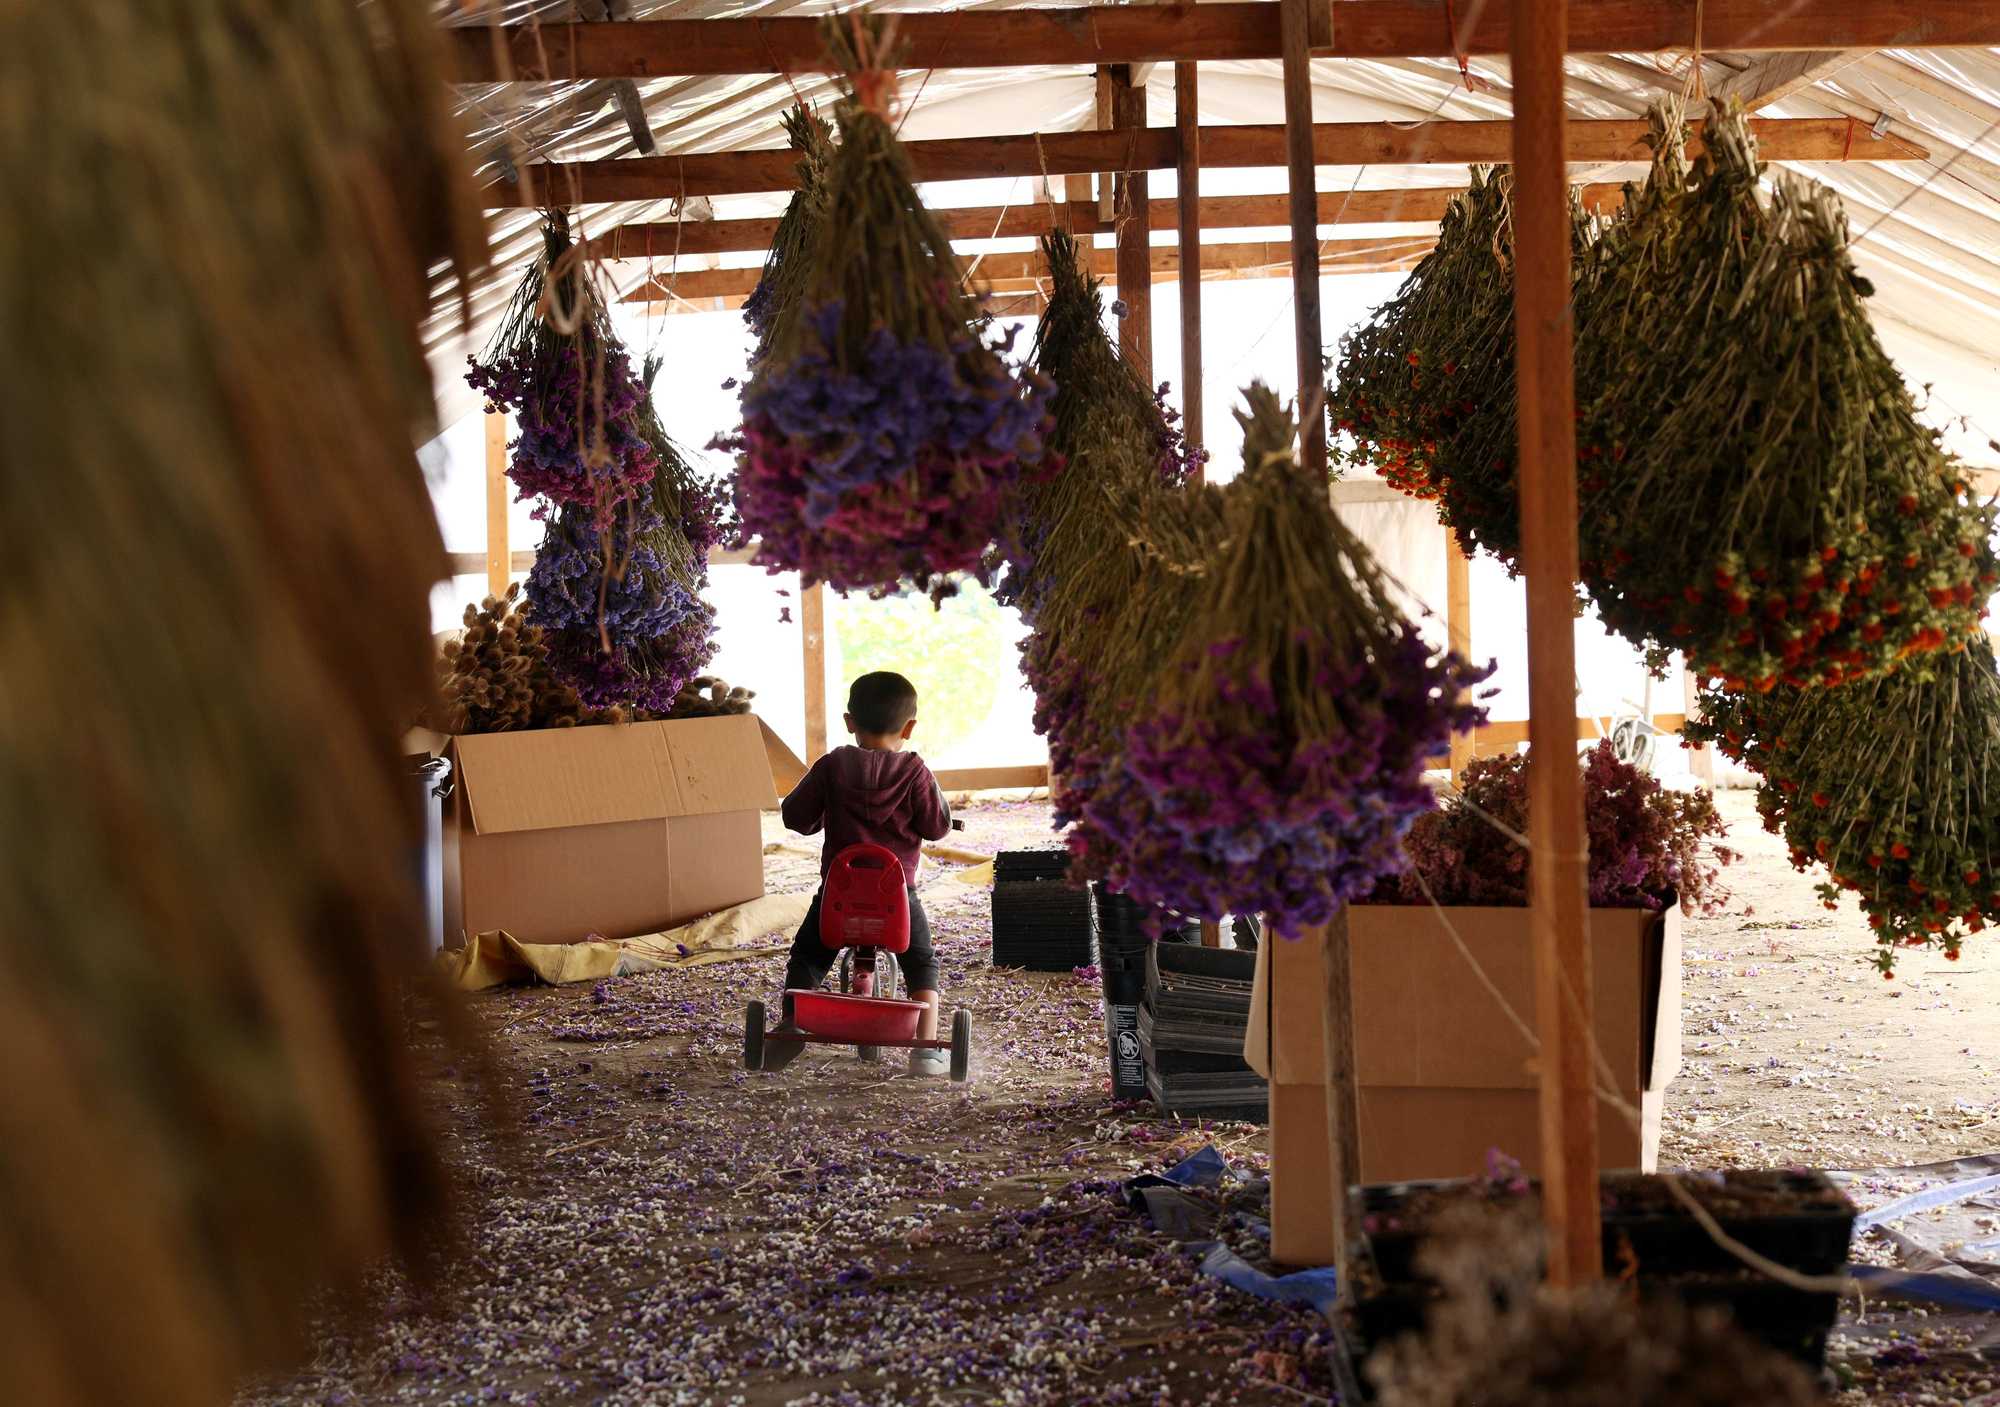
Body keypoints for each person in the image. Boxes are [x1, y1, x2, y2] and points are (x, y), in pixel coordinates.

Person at [780, 671, 953, 1074]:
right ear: (909, 728)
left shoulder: (832, 766)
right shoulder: (914, 771)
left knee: (808, 954)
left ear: (849, 722)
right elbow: (936, 826)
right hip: (896, 899)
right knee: (922, 960)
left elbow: (795, 817)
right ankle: (926, 1048)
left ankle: (792, 1021)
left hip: (838, 896)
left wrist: (820, 814)